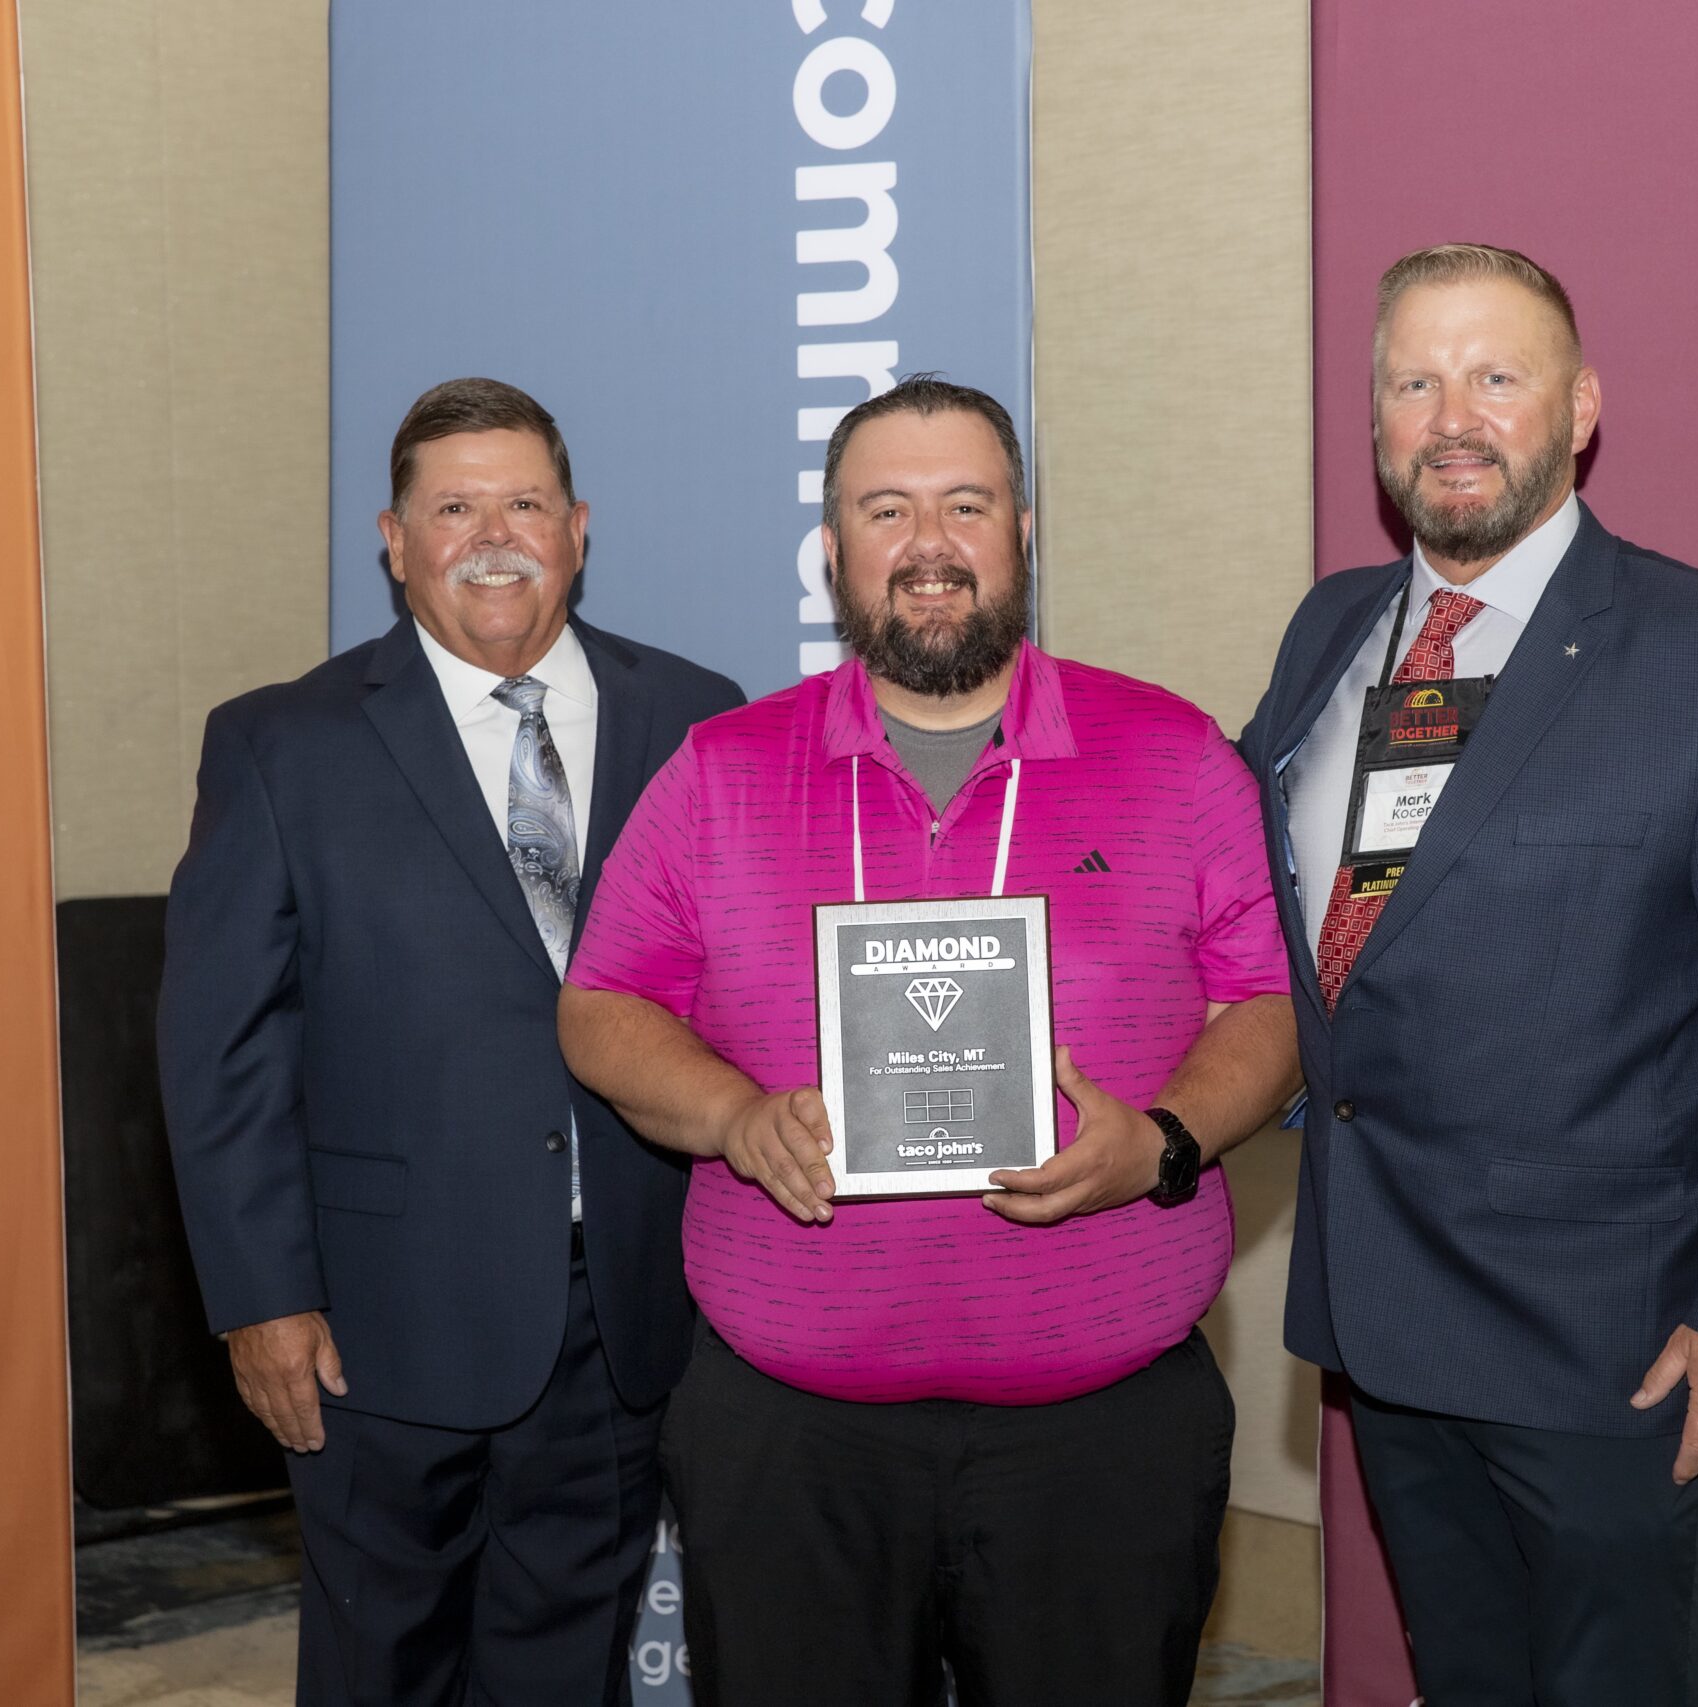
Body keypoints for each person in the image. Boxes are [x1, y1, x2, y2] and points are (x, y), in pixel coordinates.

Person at [555, 375, 1300, 1707]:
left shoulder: (1177, 756)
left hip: (1105, 1436)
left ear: (1024, 530)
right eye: (886, 510)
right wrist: (733, 1118)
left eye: (966, 504)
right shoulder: (721, 769)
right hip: (789, 1442)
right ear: (832, 548)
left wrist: (1163, 1142)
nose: (930, 545)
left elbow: (1271, 1004)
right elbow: (603, 1004)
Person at [1242, 245, 1698, 1704]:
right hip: (1390, 1328)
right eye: (1414, 382)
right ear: (1374, 417)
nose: (1451, 419)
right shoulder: (1329, 630)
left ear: (1583, 407)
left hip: (1628, 1356)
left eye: (1496, 377)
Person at [157, 377, 744, 1706]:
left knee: (568, 1672)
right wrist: (260, 1299)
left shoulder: (698, 718)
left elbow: (744, 988)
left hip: (626, 1314)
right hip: (377, 1325)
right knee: (384, 1672)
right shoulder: (279, 745)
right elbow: (221, 1053)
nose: (494, 536)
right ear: (394, 540)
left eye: (525, 503)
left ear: (578, 529)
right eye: (453, 508)